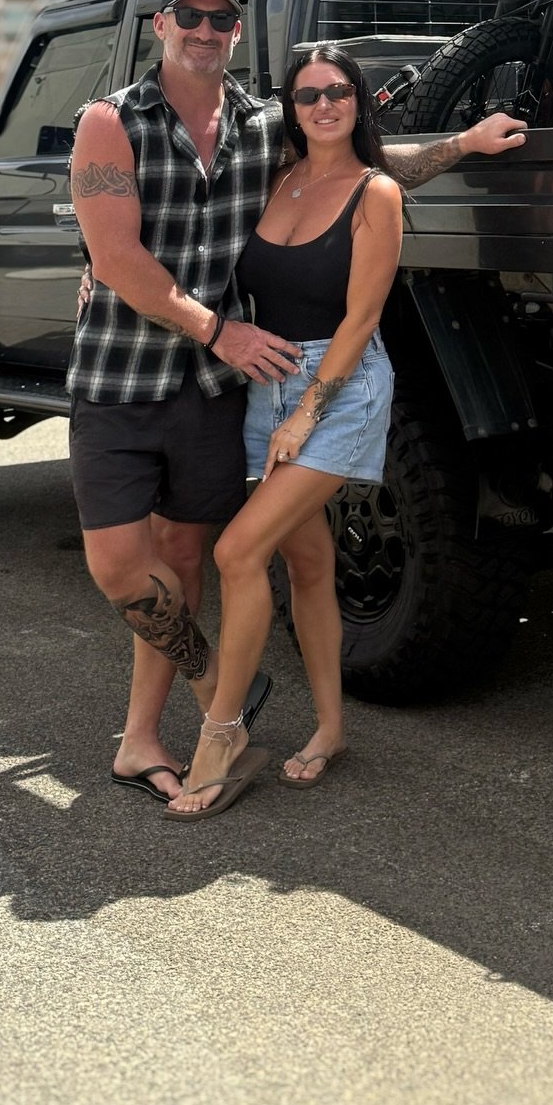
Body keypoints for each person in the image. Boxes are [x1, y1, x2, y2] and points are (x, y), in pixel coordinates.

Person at [69, 0, 524, 808]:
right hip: (131, 374)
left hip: (218, 387)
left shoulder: (257, 126)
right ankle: (218, 694)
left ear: (236, 33)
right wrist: (217, 327)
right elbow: (117, 257)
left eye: (222, 19)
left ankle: (160, 735)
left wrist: (462, 145)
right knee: (124, 568)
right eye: (191, 16)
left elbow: (357, 162)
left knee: (193, 555)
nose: (206, 30)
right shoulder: (111, 121)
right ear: (162, 24)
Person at [166, 45, 399, 818]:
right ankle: (330, 728)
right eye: (307, 96)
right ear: (290, 108)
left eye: (337, 91)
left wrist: (307, 412)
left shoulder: (378, 193)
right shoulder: (279, 178)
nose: (323, 105)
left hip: (342, 384)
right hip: (266, 379)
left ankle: (222, 732)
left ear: (359, 100)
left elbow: (362, 318)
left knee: (238, 549)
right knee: (307, 560)